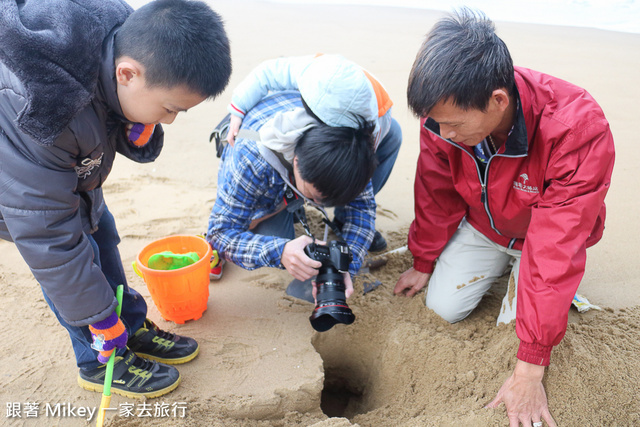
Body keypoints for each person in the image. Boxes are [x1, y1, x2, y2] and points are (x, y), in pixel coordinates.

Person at [0, 0, 231, 398]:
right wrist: (98, 320)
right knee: (73, 258)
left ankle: (130, 325)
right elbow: (49, 237)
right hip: (21, 182)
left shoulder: (124, 30)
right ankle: (99, 358)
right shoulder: (44, 106)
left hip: (68, 169)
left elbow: (111, 104)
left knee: (101, 235)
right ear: (127, 73)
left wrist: (132, 125)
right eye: (169, 109)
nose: (171, 120)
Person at [395, 8, 614, 427]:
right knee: (443, 307)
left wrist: (529, 370)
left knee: (522, 333)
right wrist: (424, 260)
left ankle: (553, 293)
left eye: (454, 125)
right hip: (484, 225)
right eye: (435, 124)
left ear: (499, 100)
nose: (443, 135)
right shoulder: (442, 117)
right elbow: (435, 191)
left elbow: (557, 243)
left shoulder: (576, 128)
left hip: (540, 235)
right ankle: (503, 271)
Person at [207, 89, 377, 300]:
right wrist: (281, 251)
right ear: (296, 162)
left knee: (394, 133)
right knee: (271, 237)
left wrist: (347, 264)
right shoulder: (250, 160)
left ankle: (334, 218)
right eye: (314, 197)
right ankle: (287, 210)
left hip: (297, 168)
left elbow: (363, 209)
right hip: (260, 166)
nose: (319, 205)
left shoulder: (353, 150)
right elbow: (219, 233)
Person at [223, 54, 402, 253]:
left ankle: (342, 217)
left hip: (378, 113)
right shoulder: (314, 73)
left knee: (390, 137)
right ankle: (297, 196)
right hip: (277, 157)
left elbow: (355, 178)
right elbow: (265, 73)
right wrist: (237, 109)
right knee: (272, 232)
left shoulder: (366, 131)